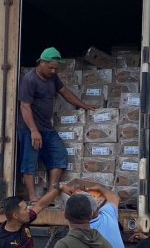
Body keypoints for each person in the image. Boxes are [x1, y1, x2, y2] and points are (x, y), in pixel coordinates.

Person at [18, 47, 97, 200]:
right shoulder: (30, 79)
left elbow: (64, 92)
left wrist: (84, 106)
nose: (54, 71)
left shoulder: (52, 77)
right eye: (51, 67)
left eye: (56, 68)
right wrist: (34, 131)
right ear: (42, 63)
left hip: (46, 128)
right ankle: (33, 197)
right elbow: (24, 106)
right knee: (29, 162)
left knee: (59, 155)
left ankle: (50, 193)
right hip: (30, 129)